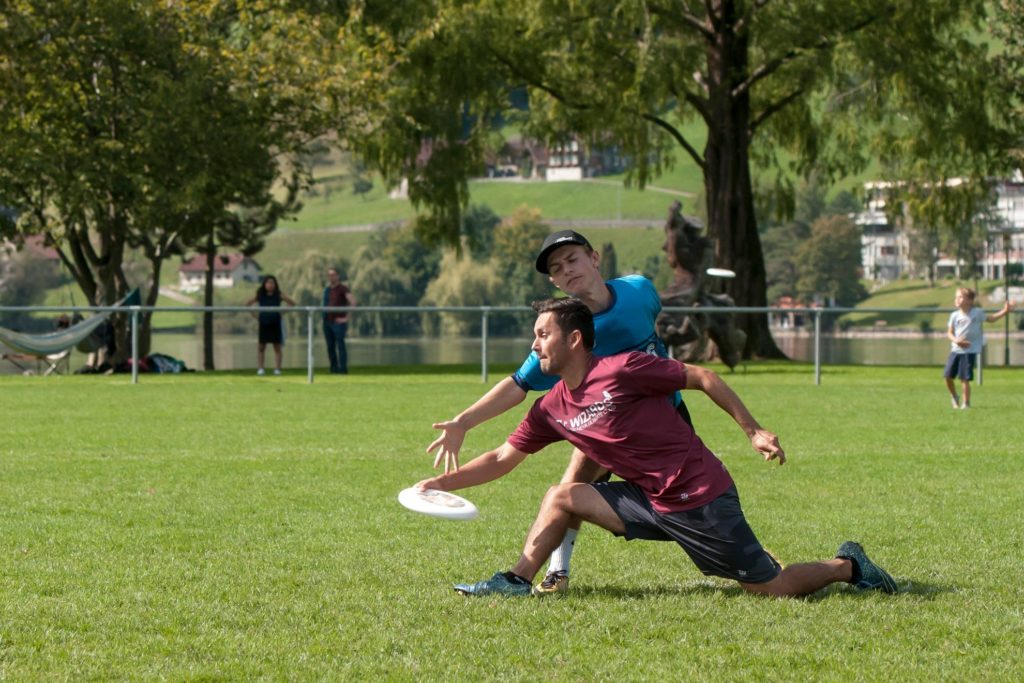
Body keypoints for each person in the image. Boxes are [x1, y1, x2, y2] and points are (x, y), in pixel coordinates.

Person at [416, 298, 898, 599]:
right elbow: (502, 458)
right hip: (648, 501)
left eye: (543, 334)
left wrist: (752, 430)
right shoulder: (552, 407)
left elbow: (702, 376)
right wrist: (440, 483)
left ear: (575, 338)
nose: (534, 344)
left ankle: (849, 566)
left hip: (701, 498)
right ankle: (516, 581)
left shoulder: (623, 368)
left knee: (770, 589)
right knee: (562, 494)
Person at [427, 230, 693, 595]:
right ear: (553, 281)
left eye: (572, 259)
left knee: (692, 513)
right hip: (609, 428)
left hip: (668, 428)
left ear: (594, 258)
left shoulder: (640, 291)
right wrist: (463, 422)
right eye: (557, 268)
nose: (567, 270)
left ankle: (731, 544)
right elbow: (518, 384)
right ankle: (553, 572)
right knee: (572, 481)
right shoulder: (564, 335)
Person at [944, 287, 1013, 409]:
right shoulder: (954, 315)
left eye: (960, 297)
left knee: (964, 378)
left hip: (969, 351)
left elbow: (991, 319)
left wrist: (1004, 311)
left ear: (970, 300)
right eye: (956, 297)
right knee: (948, 377)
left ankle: (966, 404)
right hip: (955, 350)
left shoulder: (977, 313)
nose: (957, 299)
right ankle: (954, 396)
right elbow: (950, 333)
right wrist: (956, 341)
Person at [246, 275, 296, 376]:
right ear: (264, 284)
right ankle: (261, 369)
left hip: (275, 323)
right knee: (261, 347)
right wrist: (255, 316)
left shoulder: (279, 295)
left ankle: (277, 369)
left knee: (277, 347)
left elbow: (292, 303)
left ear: (275, 284)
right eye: (268, 282)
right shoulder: (260, 295)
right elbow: (248, 304)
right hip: (263, 323)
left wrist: (282, 313)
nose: (270, 285)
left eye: (272, 282)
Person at [323, 267, 356, 374]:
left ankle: (343, 369)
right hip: (327, 322)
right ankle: (333, 368)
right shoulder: (327, 290)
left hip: (338, 322)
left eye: (333, 275)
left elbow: (353, 303)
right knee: (330, 346)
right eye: (329, 275)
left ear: (338, 276)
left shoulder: (343, 289)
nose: (331, 277)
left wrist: (346, 318)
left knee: (340, 345)